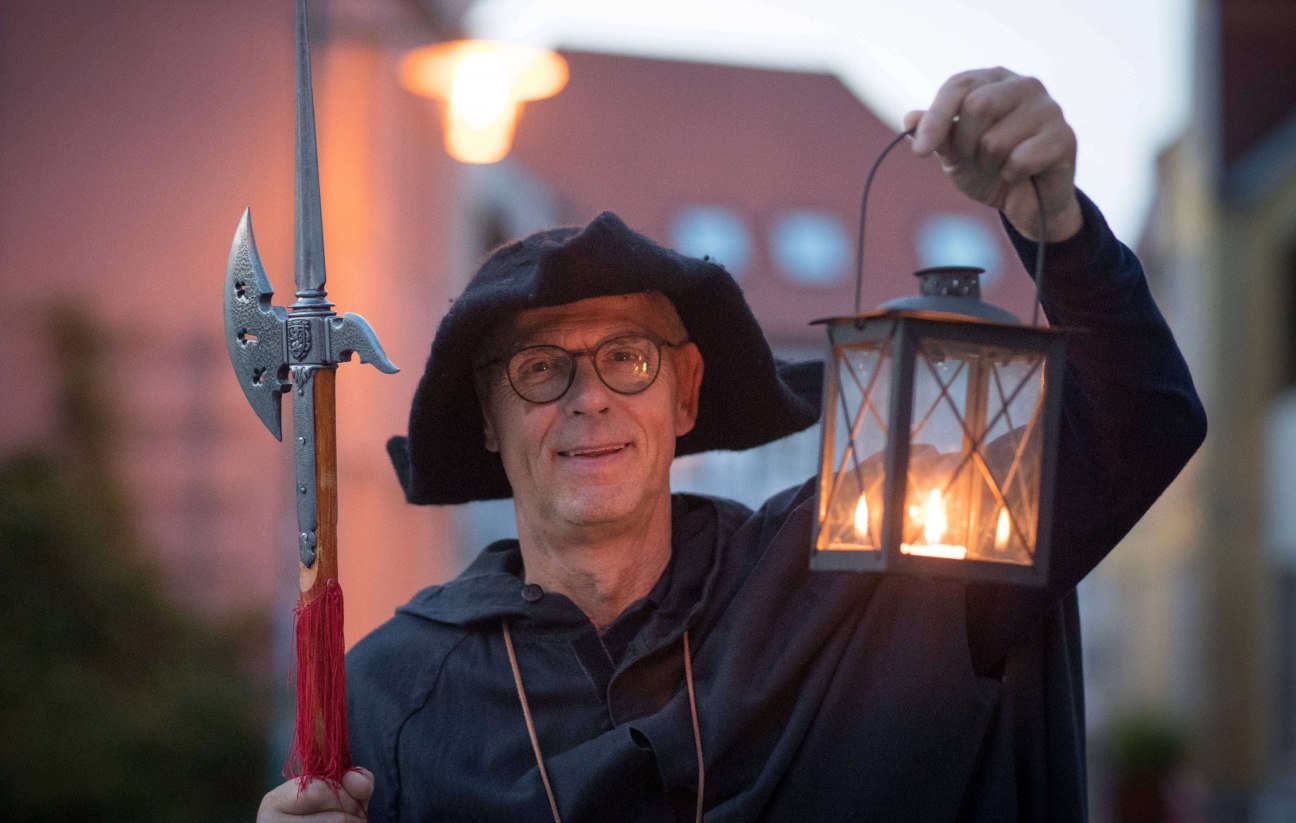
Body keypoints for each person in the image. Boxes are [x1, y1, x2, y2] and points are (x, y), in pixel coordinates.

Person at [256, 67, 1206, 822]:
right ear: (490, 421)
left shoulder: (872, 577)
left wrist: (1059, 231)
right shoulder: (388, 692)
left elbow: (1141, 423)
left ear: (686, 392)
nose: (589, 399)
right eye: (541, 369)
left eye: (627, 357)